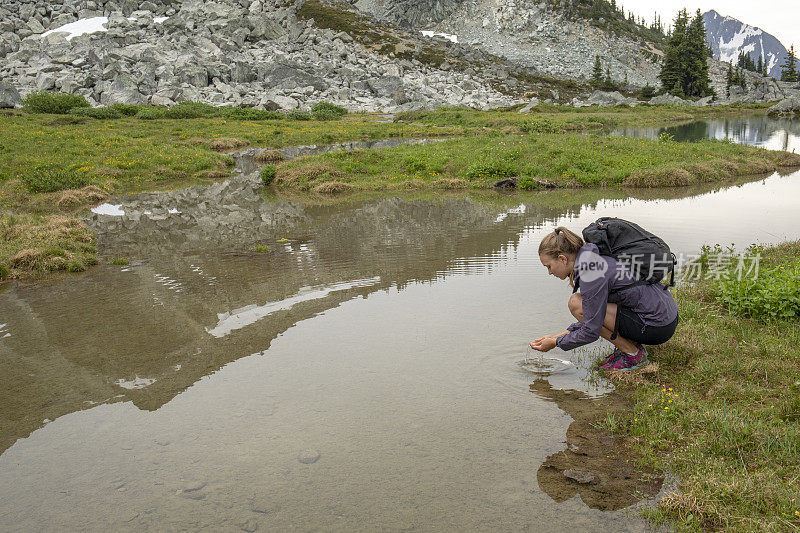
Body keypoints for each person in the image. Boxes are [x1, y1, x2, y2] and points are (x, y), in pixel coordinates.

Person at [529, 226, 679, 370]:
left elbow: (591, 330)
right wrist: (556, 336)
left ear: (562, 259)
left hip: (657, 326)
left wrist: (556, 342)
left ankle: (633, 354)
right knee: (582, 305)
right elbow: (593, 314)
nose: (549, 272)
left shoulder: (591, 273)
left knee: (576, 303)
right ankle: (630, 346)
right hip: (665, 317)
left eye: (548, 266)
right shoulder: (595, 256)